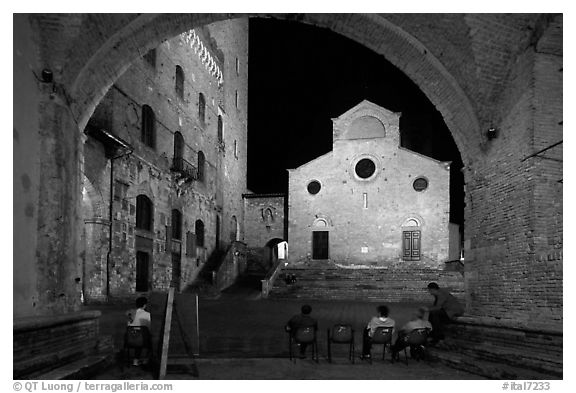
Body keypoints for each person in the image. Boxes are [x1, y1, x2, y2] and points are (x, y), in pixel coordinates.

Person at [125, 296, 151, 366]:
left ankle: (135, 361)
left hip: (130, 339)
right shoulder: (147, 315)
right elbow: (149, 328)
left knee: (137, 335)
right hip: (143, 340)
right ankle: (146, 360)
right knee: (149, 338)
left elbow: (128, 325)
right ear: (145, 305)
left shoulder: (131, 314)